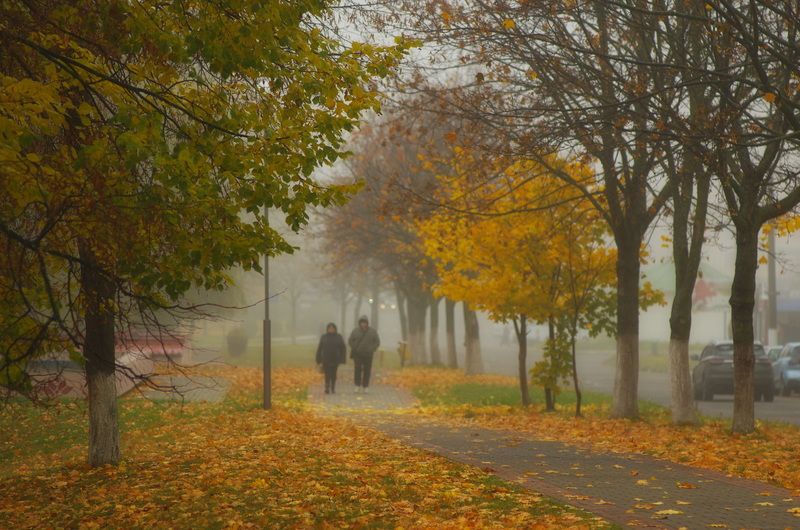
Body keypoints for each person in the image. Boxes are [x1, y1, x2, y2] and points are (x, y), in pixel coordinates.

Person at [348, 315, 380, 394]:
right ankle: (357, 385)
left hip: (368, 354)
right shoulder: (355, 331)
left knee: (367, 370)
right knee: (357, 370)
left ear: (367, 323)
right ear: (359, 323)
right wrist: (354, 347)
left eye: (364, 322)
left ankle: (366, 386)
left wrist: (372, 349)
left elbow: (377, 342)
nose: (363, 324)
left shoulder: (372, 331)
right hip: (357, 354)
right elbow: (350, 340)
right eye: (362, 322)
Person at [315, 323, 346, 394]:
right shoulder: (324, 337)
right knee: (327, 374)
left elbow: (343, 348)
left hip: (335, 359)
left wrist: (342, 359)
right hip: (326, 358)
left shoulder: (338, 337)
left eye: (332, 328)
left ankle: (333, 387)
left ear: (335, 329)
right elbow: (320, 348)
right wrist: (318, 359)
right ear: (327, 329)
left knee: (333, 374)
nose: (331, 330)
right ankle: (327, 387)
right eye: (329, 328)